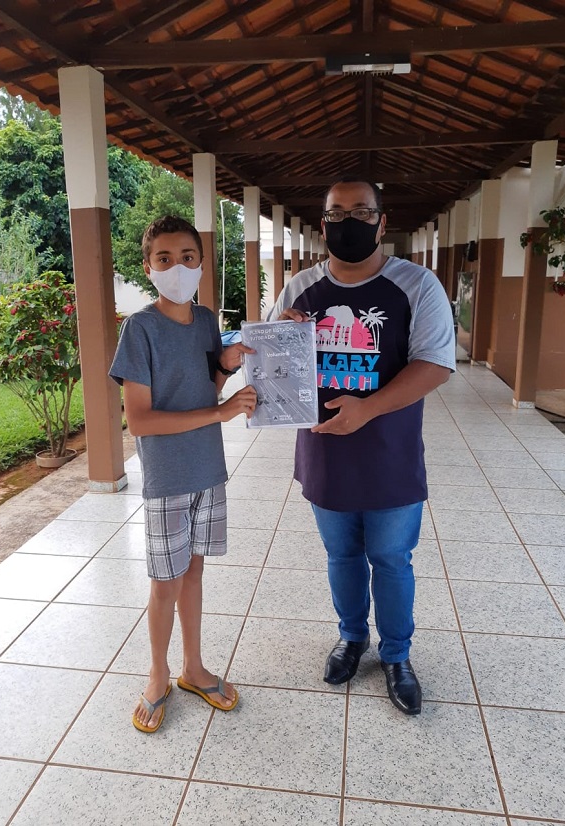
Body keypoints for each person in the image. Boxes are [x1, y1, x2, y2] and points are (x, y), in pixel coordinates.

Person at [268, 177, 455, 715]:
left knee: (392, 558)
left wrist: (367, 409)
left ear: (382, 221)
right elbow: (274, 363)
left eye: (361, 211)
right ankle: (353, 639)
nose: (348, 221)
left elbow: (435, 364)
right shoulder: (300, 287)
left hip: (390, 453)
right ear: (322, 220)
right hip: (324, 452)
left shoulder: (416, 285)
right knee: (341, 554)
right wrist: (280, 336)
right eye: (336, 212)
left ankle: (397, 656)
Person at [109, 215, 257, 732]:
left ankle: (194, 668)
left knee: (193, 573)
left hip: (208, 471)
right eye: (164, 259)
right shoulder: (139, 328)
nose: (177, 268)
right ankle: (157, 673)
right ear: (148, 267)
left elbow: (206, 388)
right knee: (164, 582)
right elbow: (142, 421)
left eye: (187, 258)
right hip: (169, 478)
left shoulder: (207, 320)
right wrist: (220, 412)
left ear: (200, 263)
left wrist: (226, 367)